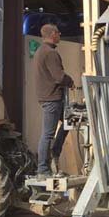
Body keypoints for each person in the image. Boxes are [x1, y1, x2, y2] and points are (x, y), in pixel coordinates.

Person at [34, 24, 74, 178]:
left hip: (50, 97)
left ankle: (55, 152)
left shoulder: (42, 51)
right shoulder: (50, 53)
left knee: (69, 121)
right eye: (58, 32)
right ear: (52, 34)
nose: (60, 34)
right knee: (48, 134)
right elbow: (59, 77)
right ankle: (43, 169)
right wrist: (70, 81)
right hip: (52, 98)